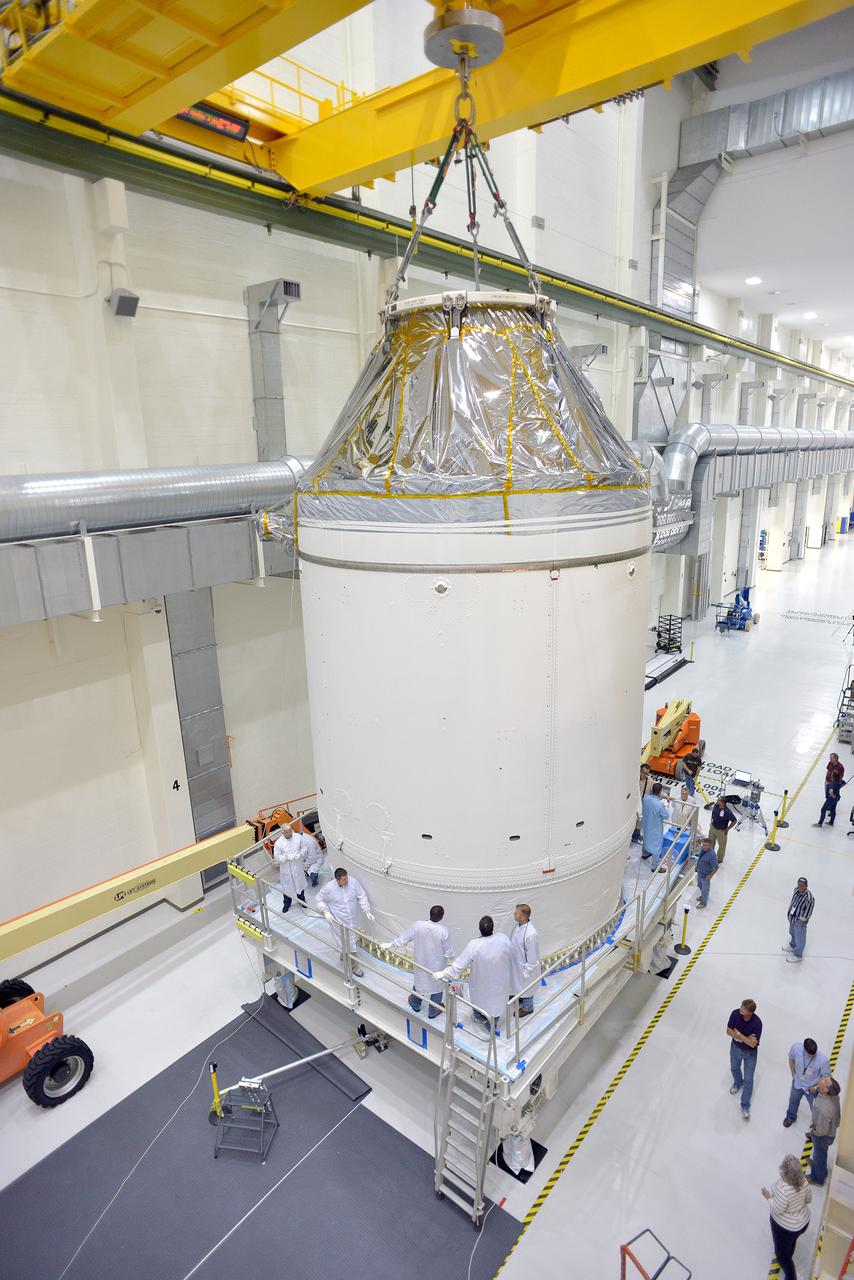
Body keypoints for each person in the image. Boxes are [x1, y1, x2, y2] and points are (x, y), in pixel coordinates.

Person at [435, 915, 512, 1035]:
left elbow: (458, 966)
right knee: (495, 1003)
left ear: (479, 929)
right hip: (499, 981)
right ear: (493, 927)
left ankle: (482, 1018)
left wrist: (443, 973)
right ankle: (493, 1023)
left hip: (482, 982)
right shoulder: (503, 939)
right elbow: (511, 953)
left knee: (480, 1000)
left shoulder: (474, 945)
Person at [391, 906, 454, 1019]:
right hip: (437, 965)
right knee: (437, 985)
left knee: (420, 981)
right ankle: (433, 1011)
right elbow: (448, 952)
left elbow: (404, 938)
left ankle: (415, 1003)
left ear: (429, 914)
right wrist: (453, 962)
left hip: (421, 961)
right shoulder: (444, 931)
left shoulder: (418, 925)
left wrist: (392, 945)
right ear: (441, 917)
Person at [761, 1154, 812, 1280]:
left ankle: (790, 1275)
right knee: (791, 1242)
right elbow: (809, 1199)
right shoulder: (804, 1181)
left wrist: (768, 1197)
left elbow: (777, 1210)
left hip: (786, 1228)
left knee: (782, 1256)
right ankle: (789, 1252)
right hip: (802, 1223)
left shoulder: (783, 1189)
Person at [317, 867, 373, 978]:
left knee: (350, 941)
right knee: (348, 943)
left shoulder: (353, 882)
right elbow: (319, 899)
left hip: (352, 920)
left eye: (346, 878)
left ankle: (344, 955)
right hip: (339, 921)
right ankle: (354, 966)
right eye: (343, 880)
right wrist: (326, 911)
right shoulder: (329, 888)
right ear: (337, 880)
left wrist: (366, 910)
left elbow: (361, 895)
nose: (346, 881)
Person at [727, 998, 762, 1120]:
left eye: (743, 1008)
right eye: (741, 1006)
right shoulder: (735, 1014)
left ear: (749, 1013)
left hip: (750, 1054)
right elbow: (728, 1031)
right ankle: (738, 1082)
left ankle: (745, 1105)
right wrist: (746, 1038)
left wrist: (738, 1034)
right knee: (734, 1068)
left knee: (748, 1079)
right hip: (735, 1048)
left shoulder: (757, 1023)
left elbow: (753, 1044)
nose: (740, 1008)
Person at [784, 1038, 830, 1127]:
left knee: (816, 1108)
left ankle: (817, 1126)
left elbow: (826, 1078)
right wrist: (793, 1073)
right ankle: (790, 1117)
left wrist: (816, 1087)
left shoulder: (823, 1060)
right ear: (804, 1049)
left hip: (812, 1088)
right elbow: (791, 1058)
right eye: (809, 1054)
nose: (811, 1056)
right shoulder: (796, 1048)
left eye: (813, 1054)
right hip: (797, 1083)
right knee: (793, 1101)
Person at [272, 824, 316, 912]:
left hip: (297, 866)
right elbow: (276, 856)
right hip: (286, 869)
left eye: (290, 831)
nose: (289, 833)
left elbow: (304, 848)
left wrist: (300, 854)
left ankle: (302, 901)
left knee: (300, 885)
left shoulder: (298, 837)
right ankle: (287, 904)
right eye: (287, 832)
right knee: (287, 888)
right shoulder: (279, 842)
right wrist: (286, 857)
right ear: (283, 832)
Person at [808, 1076, 842, 1186]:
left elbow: (821, 1131)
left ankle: (817, 1178)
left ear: (826, 1089)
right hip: (829, 1128)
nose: (823, 1078)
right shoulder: (833, 1095)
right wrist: (817, 1087)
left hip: (822, 1136)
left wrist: (814, 1134)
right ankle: (820, 1168)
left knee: (819, 1154)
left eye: (826, 1080)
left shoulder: (824, 1110)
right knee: (821, 1155)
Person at [510, 904, 541, 1016]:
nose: (514, 913)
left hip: (525, 968)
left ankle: (528, 1007)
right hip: (517, 964)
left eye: (516, 912)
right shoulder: (518, 927)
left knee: (527, 986)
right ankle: (520, 997)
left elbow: (532, 957)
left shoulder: (530, 934)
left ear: (523, 916)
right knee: (518, 984)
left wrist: (527, 971)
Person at [783, 878, 815, 964]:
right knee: (792, 933)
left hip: (799, 922)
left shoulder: (809, 898)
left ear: (806, 886)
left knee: (800, 938)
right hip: (792, 918)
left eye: (802, 886)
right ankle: (793, 945)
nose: (800, 887)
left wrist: (801, 921)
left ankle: (798, 954)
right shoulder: (796, 890)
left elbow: (808, 912)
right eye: (799, 885)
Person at [641, 783, 670, 868]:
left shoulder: (645, 799)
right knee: (656, 846)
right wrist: (667, 806)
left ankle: (645, 854)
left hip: (646, 825)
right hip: (655, 828)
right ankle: (655, 866)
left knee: (646, 838)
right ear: (660, 792)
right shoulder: (659, 805)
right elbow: (666, 816)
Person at [708, 794, 737, 864]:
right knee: (711, 842)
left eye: (718, 800)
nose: (717, 801)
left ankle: (720, 858)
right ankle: (710, 855)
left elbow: (734, 820)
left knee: (722, 846)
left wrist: (728, 829)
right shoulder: (716, 805)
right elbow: (713, 813)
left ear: (723, 803)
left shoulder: (727, 812)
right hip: (712, 828)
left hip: (721, 831)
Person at [695, 837, 719, 909]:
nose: (704, 847)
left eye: (706, 845)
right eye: (704, 845)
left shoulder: (711, 855)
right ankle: (703, 895)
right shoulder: (703, 849)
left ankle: (703, 903)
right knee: (699, 885)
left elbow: (716, 867)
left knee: (705, 889)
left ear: (710, 846)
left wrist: (710, 876)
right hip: (700, 871)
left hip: (706, 875)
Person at [632, 764, 652, 843]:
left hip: (641, 805)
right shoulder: (633, 778)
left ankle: (635, 836)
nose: (645, 775)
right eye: (643, 773)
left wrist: (666, 796)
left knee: (639, 822)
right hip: (632, 804)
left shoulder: (650, 781)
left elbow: (654, 792)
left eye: (647, 773)